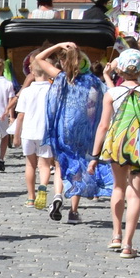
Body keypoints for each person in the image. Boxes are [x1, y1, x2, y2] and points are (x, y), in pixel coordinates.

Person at [42, 42, 104, 225]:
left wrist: (58, 45)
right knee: (78, 166)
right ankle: (73, 212)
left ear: (63, 62)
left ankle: (58, 195)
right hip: (82, 127)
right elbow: (97, 105)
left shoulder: (61, 76)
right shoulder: (92, 81)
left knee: (60, 164)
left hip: (63, 126)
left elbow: (38, 58)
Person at [93, 48, 140, 256]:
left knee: (118, 188)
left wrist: (94, 155)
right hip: (139, 145)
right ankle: (128, 245)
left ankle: (116, 236)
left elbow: (103, 126)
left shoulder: (111, 93)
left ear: (119, 70)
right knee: (136, 194)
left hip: (117, 144)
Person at [14, 52, 56, 204]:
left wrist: (16, 135)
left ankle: (31, 197)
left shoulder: (26, 92)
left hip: (28, 132)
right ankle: (43, 187)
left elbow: (20, 115)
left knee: (30, 165)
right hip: (45, 132)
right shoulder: (53, 90)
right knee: (44, 165)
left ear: (31, 71)